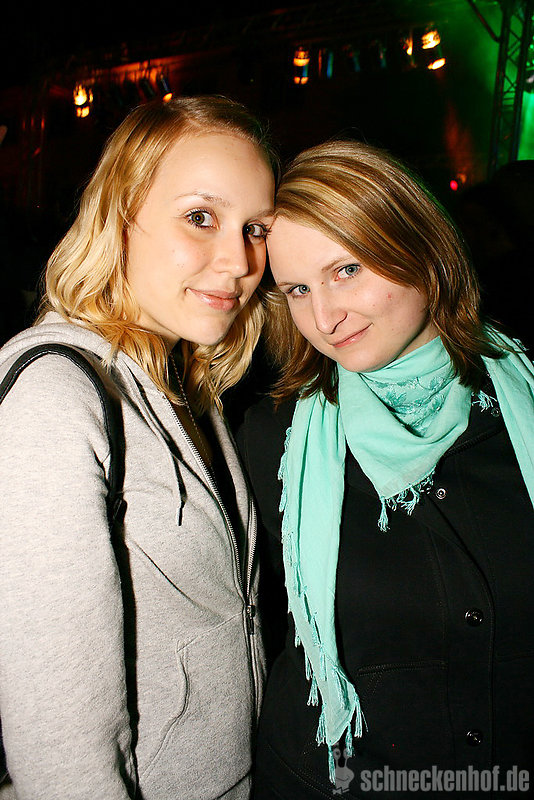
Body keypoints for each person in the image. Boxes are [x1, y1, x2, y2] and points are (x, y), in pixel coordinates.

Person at [0, 95, 276, 800]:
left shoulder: (187, 382)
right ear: (118, 216)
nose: (240, 261)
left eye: (256, 229)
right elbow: (59, 741)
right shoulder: (57, 397)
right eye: (200, 217)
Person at [238, 140, 534, 798]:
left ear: (422, 248)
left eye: (346, 270)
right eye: (298, 289)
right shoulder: (273, 441)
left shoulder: (524, 406)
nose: (325, 317)